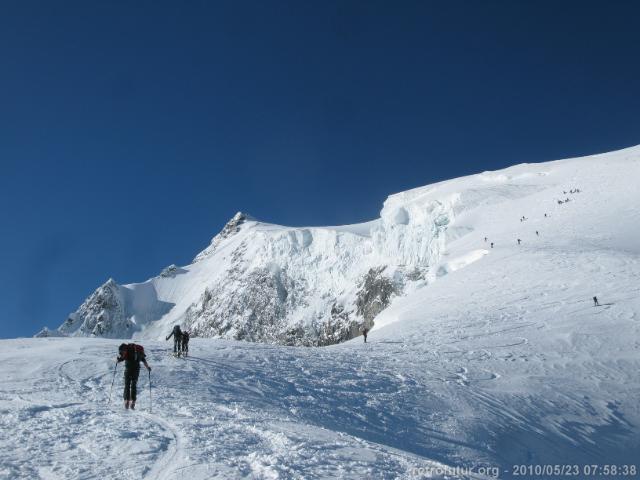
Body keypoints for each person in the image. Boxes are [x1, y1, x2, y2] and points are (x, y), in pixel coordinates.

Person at [117, 343, 151, 410]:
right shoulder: (138, 351)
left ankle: (126, 401)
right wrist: (148, 367)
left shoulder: (127, 351)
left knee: (127, 385)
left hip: (128, 370)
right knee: (133, 385)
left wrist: (118, 360)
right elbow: (143, 360)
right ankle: (133, 402)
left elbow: (122, 358)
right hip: (136, 370)